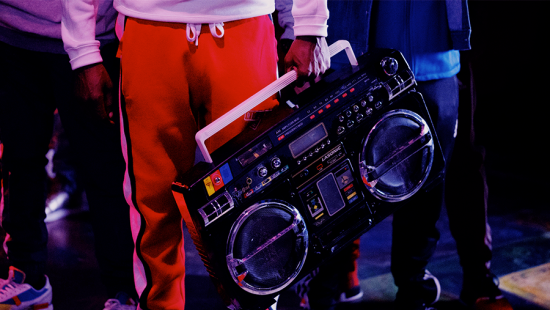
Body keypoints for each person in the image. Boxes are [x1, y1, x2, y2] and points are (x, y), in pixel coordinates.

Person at [61, 0, 331, 309]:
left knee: (256, 194)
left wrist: (310, 26)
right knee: (153, 201)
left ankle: (256, 303)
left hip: (244, 25)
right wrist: (82, 51)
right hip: (149, 28)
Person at [0, 1, 137, 309]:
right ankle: (26, 276)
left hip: (91, 39)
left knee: (106, 170)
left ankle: (125, 291)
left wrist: (87, 51)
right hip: (10, 30)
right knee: (19, 162)